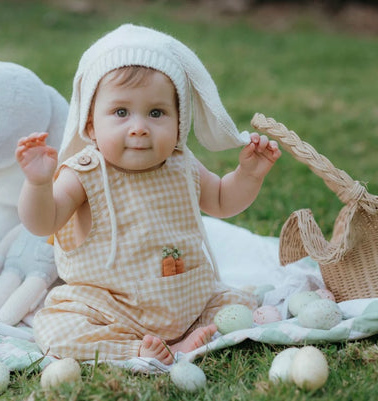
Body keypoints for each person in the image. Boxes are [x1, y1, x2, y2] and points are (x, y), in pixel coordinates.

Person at [16, 24, 281, 364]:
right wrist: (38, 184)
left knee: (239, 304)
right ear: (91, 124)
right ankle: (135, 349)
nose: (139, 127)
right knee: (57, 330)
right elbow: (42, 222)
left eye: (156, 113)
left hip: (185, 298)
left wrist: (248, 174)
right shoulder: (84, 173)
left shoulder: (182, 165)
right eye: (121, 112)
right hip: (108, 308)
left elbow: (222, 202)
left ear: (179, 122)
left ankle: (187, 337)